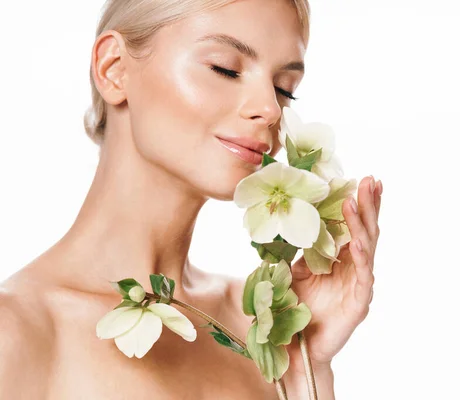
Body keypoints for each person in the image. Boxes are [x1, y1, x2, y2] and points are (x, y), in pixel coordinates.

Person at [0, 0, 383, 398]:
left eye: (283, 88)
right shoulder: (18, 335)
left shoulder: (256, 323)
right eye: (225, 68)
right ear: (114, 68)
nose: (270, 109)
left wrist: (307, 368)